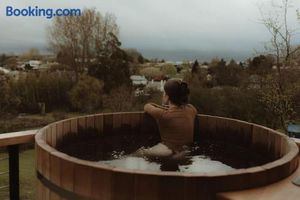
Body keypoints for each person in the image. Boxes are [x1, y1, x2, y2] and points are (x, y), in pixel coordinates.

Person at [136, 79, 197, 158]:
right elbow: (188, 110)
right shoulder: (191, 109)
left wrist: (162, 106)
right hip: (187, 149)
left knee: (139, 153)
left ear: (167, 97)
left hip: (168, 149)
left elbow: (147, 106)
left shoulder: (163, 114)